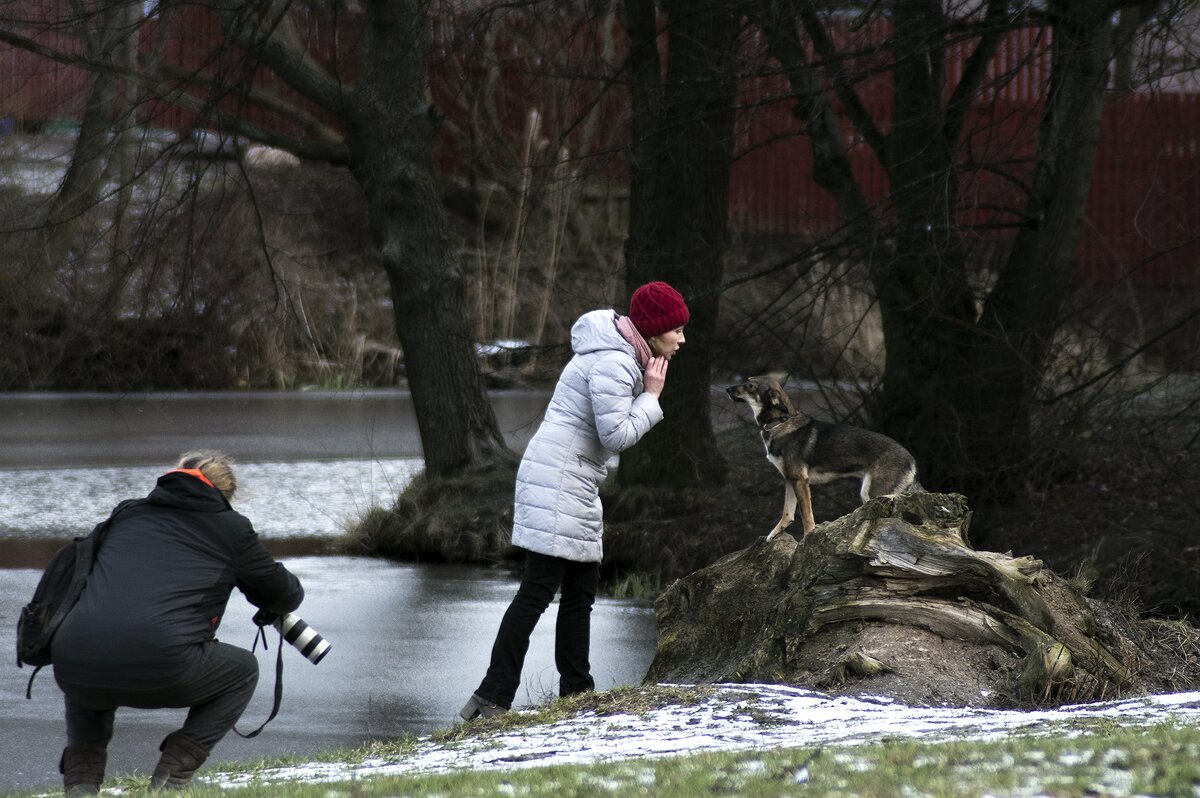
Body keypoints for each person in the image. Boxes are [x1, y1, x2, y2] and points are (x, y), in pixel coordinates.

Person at [460, 281, 689, 721]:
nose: (682, 339)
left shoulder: (618, 355)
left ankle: (576, 695)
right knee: (537, 591)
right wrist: (652, 397)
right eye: (676, 329)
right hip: (560, 479)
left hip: (571, 479)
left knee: (580, 590)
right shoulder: (615, 363)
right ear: (655, 329)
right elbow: (615, 435)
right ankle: (492, 698)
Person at [51, 450, 304, 795]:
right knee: (242, 669)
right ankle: (172, 778)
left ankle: (80, 783)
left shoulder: (127, 513)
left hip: (71, 657)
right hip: (163, 663)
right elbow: (285, 594)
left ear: (174, 477)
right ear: (225, 495)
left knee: (92, 653)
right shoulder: (232, 528)